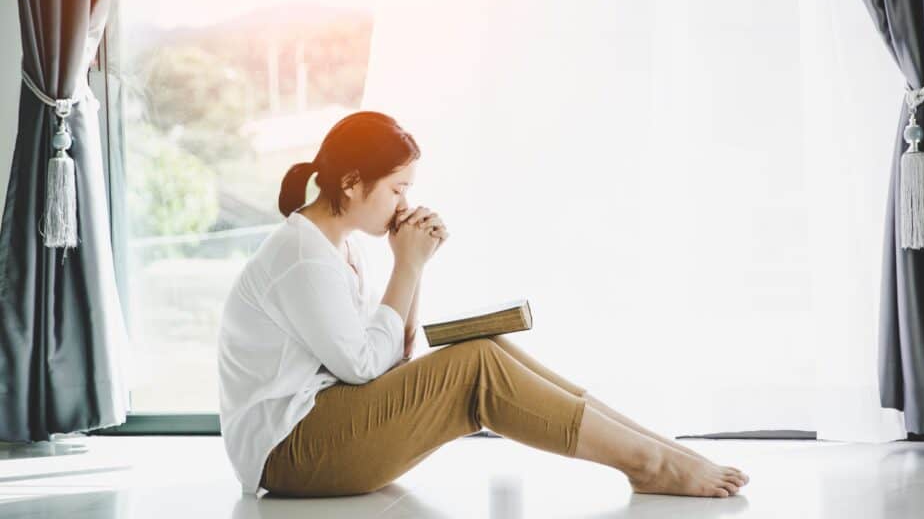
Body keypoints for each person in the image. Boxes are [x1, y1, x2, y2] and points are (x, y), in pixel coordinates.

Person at [217, 110, 750, 499]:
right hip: (289, 453)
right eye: (397, 190)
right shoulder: (304, 258)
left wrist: (413, 265)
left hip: (317, 430)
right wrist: (408, 265)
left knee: (486, 345)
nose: (404, 203)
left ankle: (657, 452)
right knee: (476, 364)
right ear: (354, 184)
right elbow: (361, 367)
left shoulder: (338, 247)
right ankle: (649, 461)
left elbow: (390, 357)